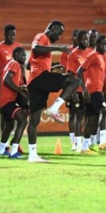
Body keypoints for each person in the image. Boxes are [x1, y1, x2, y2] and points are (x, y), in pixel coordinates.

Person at [26, 20, 80, 162]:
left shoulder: (46, 44)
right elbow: (36, 48)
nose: (60, 36)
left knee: (34, 120)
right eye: (59, 33)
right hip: (39, 78)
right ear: (53, 28)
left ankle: (32, 155)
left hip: (35, 80)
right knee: (74, 81)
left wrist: (50, 69)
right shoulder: (41, 37)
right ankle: (54, 108)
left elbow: (28, 64)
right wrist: (58, 48)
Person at [77, 34, 106, 154]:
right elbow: (79, 71)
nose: (105, 46)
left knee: (92, 119)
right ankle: (103, 140)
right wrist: (84, 89)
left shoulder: (102, 56)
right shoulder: (93, 55)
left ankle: (85, 147)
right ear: (96, 44)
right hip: (92, 90)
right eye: (102, 44)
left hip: (98, 90)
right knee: (104, 111)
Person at [0, 47, 28, 158]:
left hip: (4, 100)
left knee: (9, 126)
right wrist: (20, 91)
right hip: (7, 100)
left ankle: (1, 150)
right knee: (23, 121)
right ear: (16, 55)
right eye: (23, 55)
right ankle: (14, 151)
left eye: (25, 55)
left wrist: (22, 87)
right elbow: (6, 79)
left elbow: (13, 82)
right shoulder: (14, 63)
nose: (25, 57)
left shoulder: (15, 66)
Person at [66, 30, 93, 152]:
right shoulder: (73, 54)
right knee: (78, 116)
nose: (85, 41)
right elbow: (71, 74)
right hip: (77, 89)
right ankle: (77, 143)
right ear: (78, 40)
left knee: (89, 116)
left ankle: (87, 143)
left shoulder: (91, 53)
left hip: (89, 89)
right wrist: (72, 92)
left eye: (87, 39)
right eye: (83, 39)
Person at [0, 24, 22, 133]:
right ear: (4, 35)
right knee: (5, 115)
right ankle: (4, 142)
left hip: (17, 87)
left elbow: (21, 67)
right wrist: (1, 87)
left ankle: (16, 143)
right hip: (5, 87)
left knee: (20, 113)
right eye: (10, 35)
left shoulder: (18, 47)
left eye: (14, 35)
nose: (12, 37)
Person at [59, 29, 79, 150]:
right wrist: (71, 90)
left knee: (83, 115)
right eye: (76, 37)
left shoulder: (87, 52)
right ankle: (73, 142)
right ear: (72, 38)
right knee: (73, 115)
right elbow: (65, 71)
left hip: (83, 87)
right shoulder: (67, 52)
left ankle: (84, 141)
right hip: (72, 86)